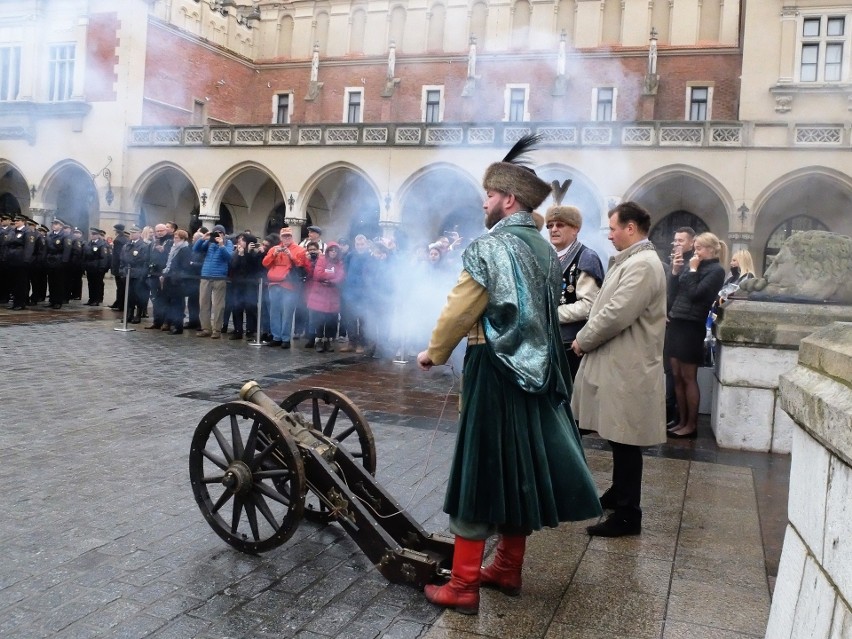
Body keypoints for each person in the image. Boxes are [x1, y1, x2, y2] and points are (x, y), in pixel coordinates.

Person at [416, 135, 601, 615]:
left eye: (489, 195)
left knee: (478, 469)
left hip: (494, 370)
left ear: (508, 199)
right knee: (515, 469)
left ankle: (463, 584)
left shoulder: (490, 245)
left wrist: (434, 352)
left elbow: (461, 308)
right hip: (537, 373)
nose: (483, 202)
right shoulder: (542, 248)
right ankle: (506, 566)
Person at [570, 201, 667, 537]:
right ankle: (617, 494)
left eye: (613, 228)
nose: (608, 235)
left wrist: (583, 339)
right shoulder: (632, 261)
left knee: (625, 438)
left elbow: (615, 314)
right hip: (618, 362)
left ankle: (628, 513)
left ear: (630, 228)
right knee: (616, 432)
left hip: (628, 365)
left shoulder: (642, 265)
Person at [666, 231, 727, 439]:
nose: (695, 251)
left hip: (692, 325)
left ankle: (691, 425)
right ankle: (681, 420)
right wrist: (675, 272)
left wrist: (691, 270)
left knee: (688, 377)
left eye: (699, 247)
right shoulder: (692, 266)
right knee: (676, 375)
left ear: (710, 249)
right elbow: (674, 292)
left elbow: (696, 294)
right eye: (696, 247)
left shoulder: (716, 271)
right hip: (677, 321)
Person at [545, 202, 604, 380]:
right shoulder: (549, 256)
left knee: (571, 400)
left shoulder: (586, 257)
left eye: (560, 225)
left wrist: (550, 313)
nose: (553, 229)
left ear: (575, 229)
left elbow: (589, 305)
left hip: (573, 344)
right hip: (551, 341)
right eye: (550, 225)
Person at [262, 226, 310, 348]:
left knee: (287, 312)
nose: (286, 238)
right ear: (281, 237)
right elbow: (265, 263)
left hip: (289, 284)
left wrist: (291, 256)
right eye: (284, 236)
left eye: (288, 236)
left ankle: (285, 338)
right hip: (274, 283)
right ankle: (276, 337)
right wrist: (273, 254)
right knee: (274, 311)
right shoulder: (274, 249)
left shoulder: (299, 250)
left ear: (292, 237)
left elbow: (302, 265)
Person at [193, 224, 233, 339]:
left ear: (224, 234)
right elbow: (195, 250)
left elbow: (229, 257)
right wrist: (203, 238)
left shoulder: (228, 243)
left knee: (218, 305)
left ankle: (217, 330)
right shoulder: (209, 242)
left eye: (220, 233)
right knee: (203, 303)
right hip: (205, 275)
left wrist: (221, 245)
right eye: (216, 232)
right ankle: (206, 328)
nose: (218, 235)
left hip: (219, 277)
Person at [305, 241, 345, 352]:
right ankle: (318, 340)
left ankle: (328, 340)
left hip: (332, 294)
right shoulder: (322, 259)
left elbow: (340, 276)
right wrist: (332, 276)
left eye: (335, 251)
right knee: (319, 318)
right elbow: (317, 274)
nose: (333, 253)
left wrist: (328, 278)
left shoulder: (339, 262)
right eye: (331, 250)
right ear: (328, 251)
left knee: (330, 319)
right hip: (319, 294)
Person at [160, 229, 193, 334]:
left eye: (177, 237)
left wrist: (176, 274)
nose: (175, 239)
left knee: (178, 304)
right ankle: (171, 323)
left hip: (178, 282)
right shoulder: (174, 248)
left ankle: (178, 326)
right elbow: (169, 263)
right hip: (170, 279)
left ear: (183, 239)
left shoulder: (185, 249)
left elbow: (185, 265)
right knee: (170, 303)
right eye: (174, 237)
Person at [6, 214, 35, 310]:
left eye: (18, 221)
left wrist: (26, 260)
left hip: (21, 260)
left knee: (21, 283)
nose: (16, 222)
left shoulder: (27, 231)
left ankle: (21, 302)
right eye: (15, 221)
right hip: (12, 260)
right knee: (13, 282)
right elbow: (7, 241)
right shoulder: (13, 231)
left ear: (23, 221)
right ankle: (15, 302)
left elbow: (29, 247)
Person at [44, 218, 71, 309]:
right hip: (50, 260)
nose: (54, 225)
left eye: (56, 224)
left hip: (59, 260)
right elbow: (46, 249)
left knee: (59, 282)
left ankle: (58, 301)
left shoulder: (65, 236)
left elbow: (67, 250)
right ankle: (52, 300)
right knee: (51, 282)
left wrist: (64, 261)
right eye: (53, 224)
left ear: (61, 226)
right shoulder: (50, 235)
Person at [84, 228, 110, 305]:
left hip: (98, 268)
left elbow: (104, 257)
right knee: (90, 283)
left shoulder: (102, 244)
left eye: (94, 234)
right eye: (91, 234)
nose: (92, 235)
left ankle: (97, 299)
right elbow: (85, 256)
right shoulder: (88, 244)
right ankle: (91, 299)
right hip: (90, 267)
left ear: (98, 235)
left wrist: (102, 268)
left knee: (97, 284)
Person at [109, 223, 129, 310]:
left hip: (118, 266)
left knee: (120, 287)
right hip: (122, 266)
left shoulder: (118, 240)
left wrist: (114, 267)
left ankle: (120, 304)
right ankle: (118, 302)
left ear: (116, 231)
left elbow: (117, 255)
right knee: (122, 287)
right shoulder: (125, 239)